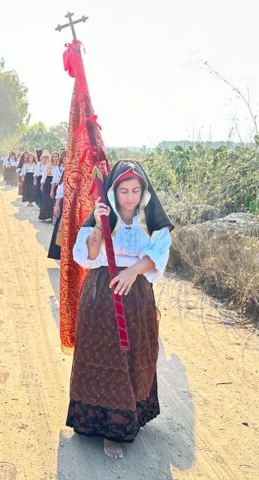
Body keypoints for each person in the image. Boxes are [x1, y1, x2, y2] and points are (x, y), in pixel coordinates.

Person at [67, 160, 174, 459]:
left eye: (135, 190)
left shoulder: (151, 223)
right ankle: (107, 430)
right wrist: (99, 229)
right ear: (114, 193)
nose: (129, 197)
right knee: (103, 354)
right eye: (123, 190)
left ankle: (127, 417)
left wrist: (132, 272)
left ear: (144, 192)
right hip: (102, 293)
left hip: (136, 295)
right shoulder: (101, 218)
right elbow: (87, 257)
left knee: (134, 354)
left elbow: (157, 256)